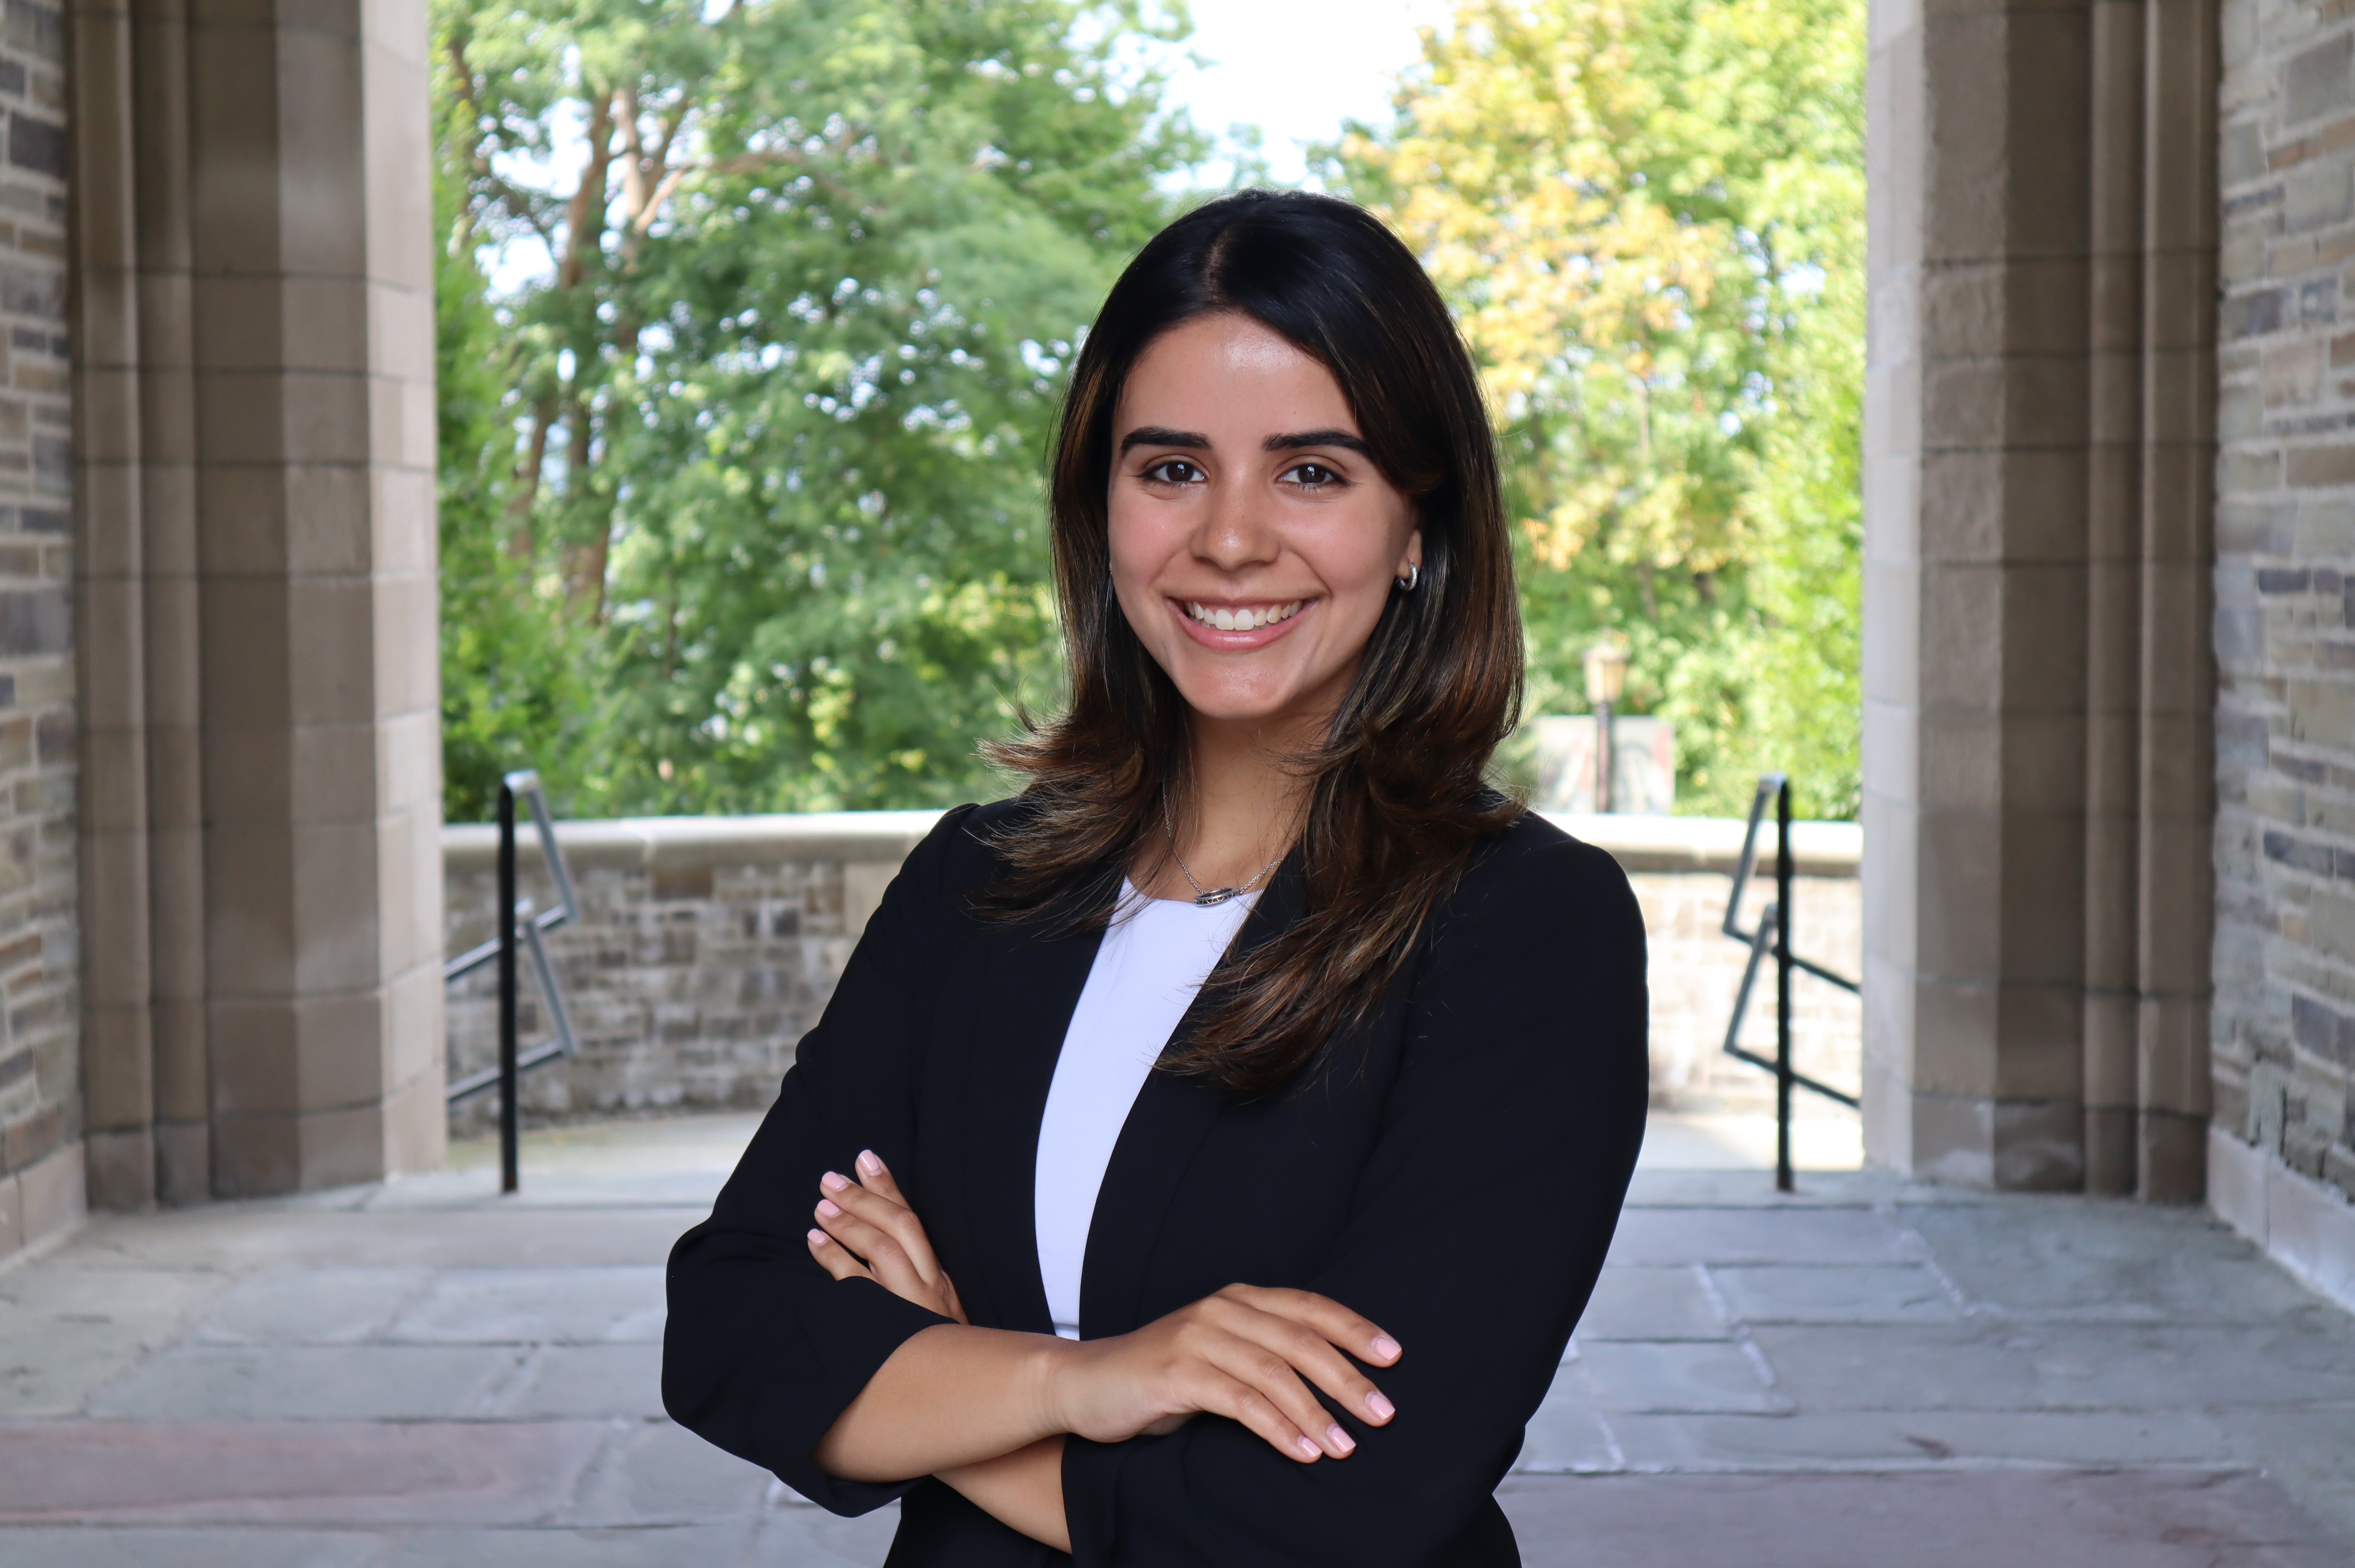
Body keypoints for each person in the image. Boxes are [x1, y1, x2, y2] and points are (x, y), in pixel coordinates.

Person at [663, 189, 1650, 1566]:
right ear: (1101, 506)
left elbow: (1340, 1507)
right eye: (1171, 468)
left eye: (1312, 471)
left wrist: (943, 1370)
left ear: (1418, 523)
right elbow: (730, 1327)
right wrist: (1092, 1378)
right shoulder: (976, 885)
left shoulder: (1526, 929)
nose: (1231, 538)